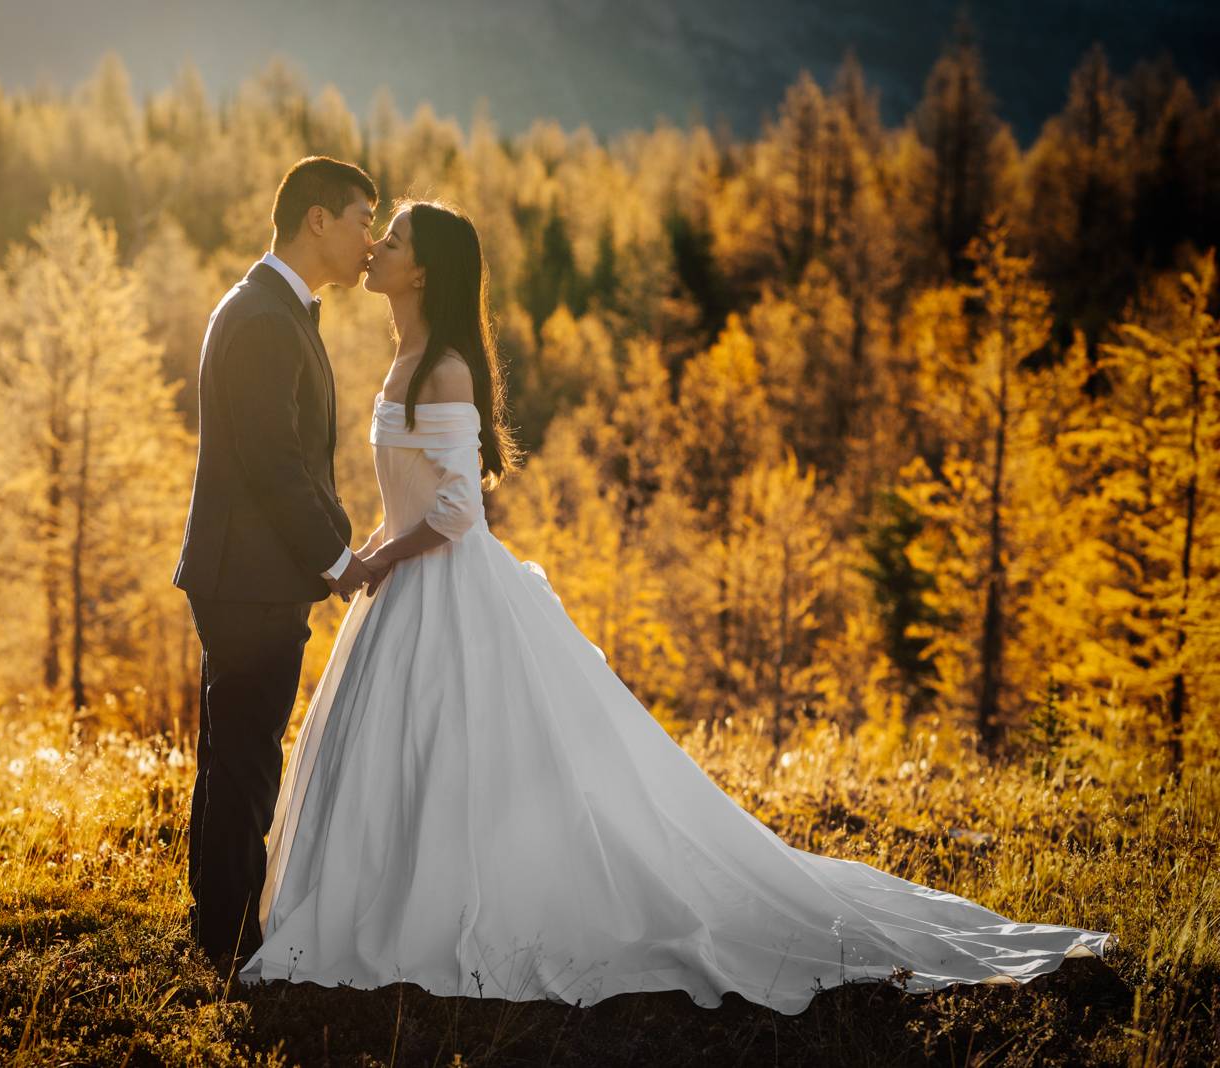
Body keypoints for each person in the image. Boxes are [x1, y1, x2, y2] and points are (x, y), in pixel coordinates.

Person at [234, 199, 1116, 1013]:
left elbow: (460, 509)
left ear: (422, 273)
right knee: (406, 755)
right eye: (376, 234)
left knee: (461, 749)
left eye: (390, 241)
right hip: (400, 592)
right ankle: (390, 895)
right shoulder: (400, 357)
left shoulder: (447, 368)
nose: (375, 248)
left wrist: (378, 555)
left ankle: (457, 906)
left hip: (437, 583)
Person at [172, 155, 379, 971]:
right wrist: (338, 557)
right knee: (247, 762)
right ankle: (229, 944)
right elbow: (273, 461)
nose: (371, 238)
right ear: (317, 219)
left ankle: (213, 928)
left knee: (231, 755)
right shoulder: (261, 317)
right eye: (365, 219)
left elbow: (291, 457)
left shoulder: (273, 308)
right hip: (249, 579)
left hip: (245, 574)